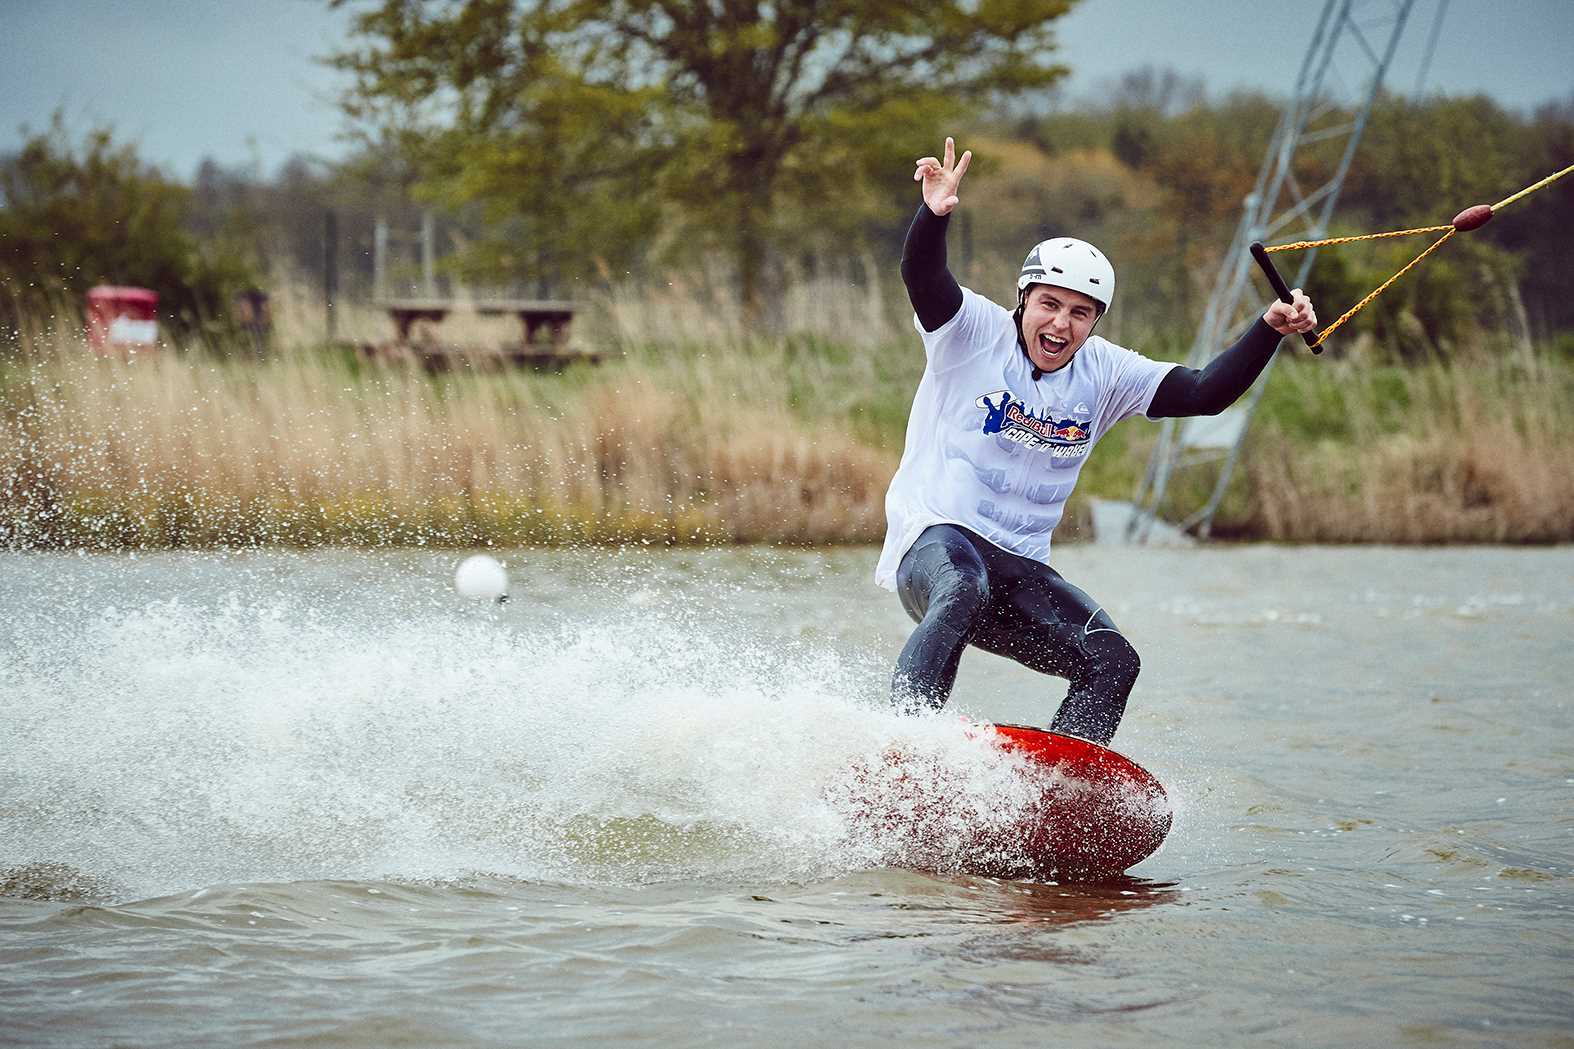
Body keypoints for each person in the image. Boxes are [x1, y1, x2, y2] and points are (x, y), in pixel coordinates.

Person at [878, 138, 1317, 745]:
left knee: (1113, 660)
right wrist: (936, 214)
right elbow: (922, 274)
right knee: (963, 588)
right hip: (934, 545)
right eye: (1049, 305)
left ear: (1095, 322)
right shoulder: (970, 331)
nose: (1060, 324)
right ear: (1023, 298)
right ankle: (902, 747)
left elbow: (1203, 392)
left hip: (1020, 568)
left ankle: (1054, 794)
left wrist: (1268, 328)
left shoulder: (1106, 372)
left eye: (1080, 314)